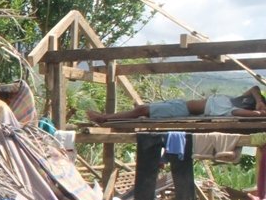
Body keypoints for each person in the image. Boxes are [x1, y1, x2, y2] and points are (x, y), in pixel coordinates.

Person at [87, 86, 266, 124]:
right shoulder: (237, 99)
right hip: (181, 104)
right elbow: (255, 88)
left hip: (182, 111)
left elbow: (257, 116)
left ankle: (104, 118)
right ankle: (105, 117)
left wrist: (260, 112)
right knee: (143, 109)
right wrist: (259, 101)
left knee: (142, 110)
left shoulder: (234, 110)